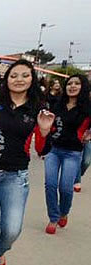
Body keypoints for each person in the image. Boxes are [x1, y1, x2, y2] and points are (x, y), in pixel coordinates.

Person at [0, 60, 54, 265]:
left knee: (11, 229)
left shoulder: (39, 110)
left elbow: (41, 150)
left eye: (25, 75)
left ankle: (0, 251)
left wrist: (45, 130)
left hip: (16, 176)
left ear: (32, 80)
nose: (19, 79)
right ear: (6, 79)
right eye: (14, 75)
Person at [41, 74, 91, 234]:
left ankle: (64, 212)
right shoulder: (57, 105)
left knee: (66, 188)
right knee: (50, 185)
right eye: (70, 83)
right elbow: (48, 125)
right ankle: (53, 218)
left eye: (77, 83)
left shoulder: (87, 109)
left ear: (83, 87)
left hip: (73, 153)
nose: (73, 86)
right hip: (53, 150)